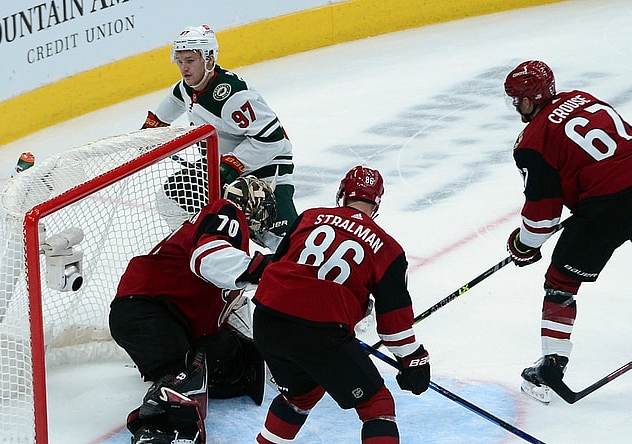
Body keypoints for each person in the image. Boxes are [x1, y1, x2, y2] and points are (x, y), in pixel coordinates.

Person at [252, 166, 431, 443]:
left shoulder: (309, 217)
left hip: (267, 318)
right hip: (321, 331)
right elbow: (394, 328)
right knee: (377, 406)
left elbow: (278, 264)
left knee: (301, 395)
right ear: (377, 202)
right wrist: (413, 360)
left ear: (342, 194)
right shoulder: (388, 248)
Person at [109, 176, 277, 444]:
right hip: (149, 309)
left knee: (223, 362)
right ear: (252, 205)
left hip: (154, 315)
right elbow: (207, 259)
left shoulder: (230, 239)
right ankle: (158, 430)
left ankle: (168, 402)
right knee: (188, 377)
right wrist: (269, 270)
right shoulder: (227, 212)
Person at [503, 60, 632, 403]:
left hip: (605, 208)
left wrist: (524, 245)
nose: (516, 106)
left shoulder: (533, 140)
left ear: (531, 98)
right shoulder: (583, 98)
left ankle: (551, 367)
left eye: (518, 99)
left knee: (561, 282)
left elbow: (543, 215)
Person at [142, 24, 297, 250]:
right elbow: (175, 100)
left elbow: (272, 140)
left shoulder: (232, 96)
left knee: (284, 245)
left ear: (209, 59)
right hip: (221, 169)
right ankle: (201, 250)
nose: (184, 68)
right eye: (180, 60)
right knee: (171, 199)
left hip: (265, 172)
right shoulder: (187, 87)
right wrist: (150, 132)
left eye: (190, 60)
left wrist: (233, 163)